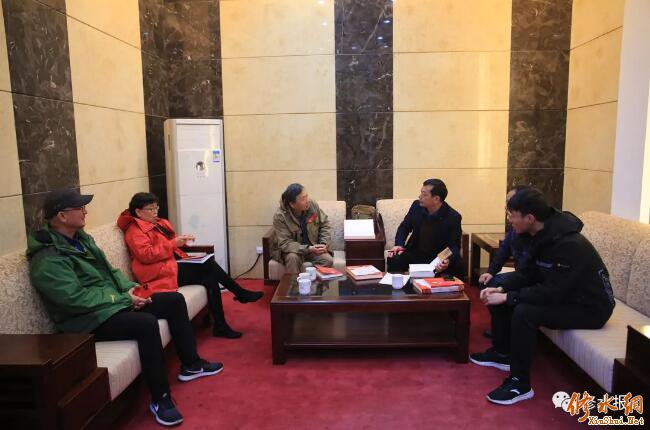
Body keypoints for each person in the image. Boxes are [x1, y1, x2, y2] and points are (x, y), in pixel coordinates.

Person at [27, 189, 221, 426]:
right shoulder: (48, 259)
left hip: (110, 305)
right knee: (145, 324)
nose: (85, 212)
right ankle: (161, 398)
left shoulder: (81, 239)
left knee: (173, 301)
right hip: (86, 321)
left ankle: (191, 365)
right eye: (80, 208)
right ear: (62, 216)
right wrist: (123, 299)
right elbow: (74, 299)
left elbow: (111, 272)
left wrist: (131, 289)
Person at [470, 188, 615, 405]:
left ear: (529, 218)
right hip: (567, 296)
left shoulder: (569, 245)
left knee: (524, 312)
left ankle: (520, 384)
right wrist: (501, 289)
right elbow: (529, 274)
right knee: (501, 293)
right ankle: (502, 354)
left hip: (590, 308)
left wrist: (509, 297)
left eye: (512, 216)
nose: (509, 220)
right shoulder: (540, 235)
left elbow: (553, 291)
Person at [117, 192, 263, 340]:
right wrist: (173, 243)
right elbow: (147, 255)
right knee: (208, 264)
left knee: (209, 278)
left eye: (156, 207)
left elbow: (169, 242)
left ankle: (221, 325)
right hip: (158, 273)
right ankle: (240, 293)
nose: (155, 211)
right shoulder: (134, 231)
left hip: (170, 264)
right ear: (138, 212)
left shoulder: (157, 223)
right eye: (151, 209)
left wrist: (182, 240)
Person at [386, 178, 462, 277]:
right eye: (421, 193)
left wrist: (446, 260)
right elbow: (404, 227)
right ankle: (397, 285)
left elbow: (454, 246)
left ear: (436, 199)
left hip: (437, 257)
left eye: (424, 194)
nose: (420, 196)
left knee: (457, 265)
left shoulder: (453, 217)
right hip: (415, 252)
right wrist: (399, 244)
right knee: (395, 259)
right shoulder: (416, 206)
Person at [271, 183, 333, 274]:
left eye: (307, 196)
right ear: (292, 204)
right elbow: (285, 243)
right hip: (294, 251)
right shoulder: (280, 216)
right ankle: (295, 282)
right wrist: (308, 248)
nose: (307, 200)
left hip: (313, 247)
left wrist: (323, 244)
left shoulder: (312, 205)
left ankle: (310, 280)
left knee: (327, 260)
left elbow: (324, 224)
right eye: (303, 199)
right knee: (292, 258)